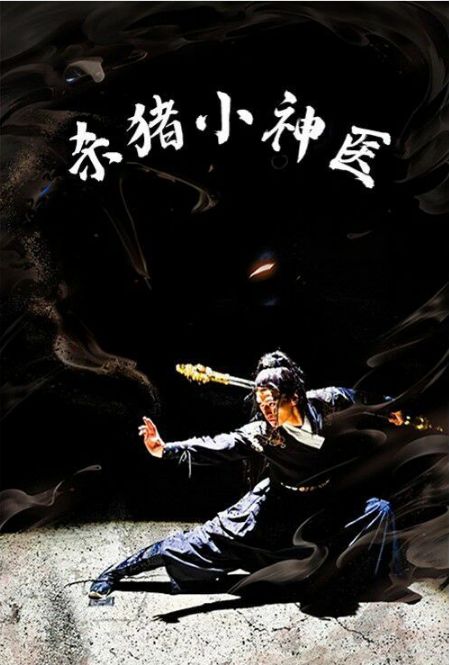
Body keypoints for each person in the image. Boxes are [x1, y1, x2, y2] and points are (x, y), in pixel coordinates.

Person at [89, 350, 398, 600]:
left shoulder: (326, 401)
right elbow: (217, 444)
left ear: (293, 397)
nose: (266, 412)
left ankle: (376, 581)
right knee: (195, 545)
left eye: (271, 404)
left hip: (323, 502)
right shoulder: (262, 434)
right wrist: (165, 449)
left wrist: (388, 406)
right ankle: (116, 573)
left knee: (379, 511)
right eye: (262, 405)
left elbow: (358, 396)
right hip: (277, 505)